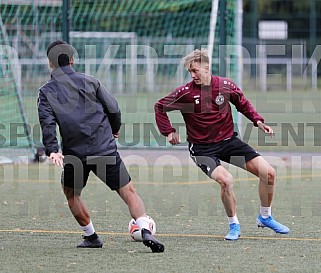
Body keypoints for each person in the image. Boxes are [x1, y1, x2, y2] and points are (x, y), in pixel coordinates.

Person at [37, 40, 164, 252]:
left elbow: (47, 122)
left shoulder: (46, 91)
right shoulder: (91, 81)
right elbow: (113, 108)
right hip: (104, 147)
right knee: (128, 191)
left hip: (75, 154)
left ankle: (91, 236)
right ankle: (144, 227)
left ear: (50, 64)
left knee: (71, 194)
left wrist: (52, 149)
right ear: (72, 60)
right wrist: (115, 128)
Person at [154, 48, 289, 240]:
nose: (192, 75)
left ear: (207, 68)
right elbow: (159, 107)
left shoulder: (225, 86)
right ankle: (234, 224)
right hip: (202, 148)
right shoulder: (185, 93)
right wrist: (168, 131)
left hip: (228, 142)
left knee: (268, 173)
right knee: (226, 180)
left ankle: (265, 217)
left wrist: (258, 121)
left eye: (195, 71)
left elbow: (242, 102)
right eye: (190, 72)